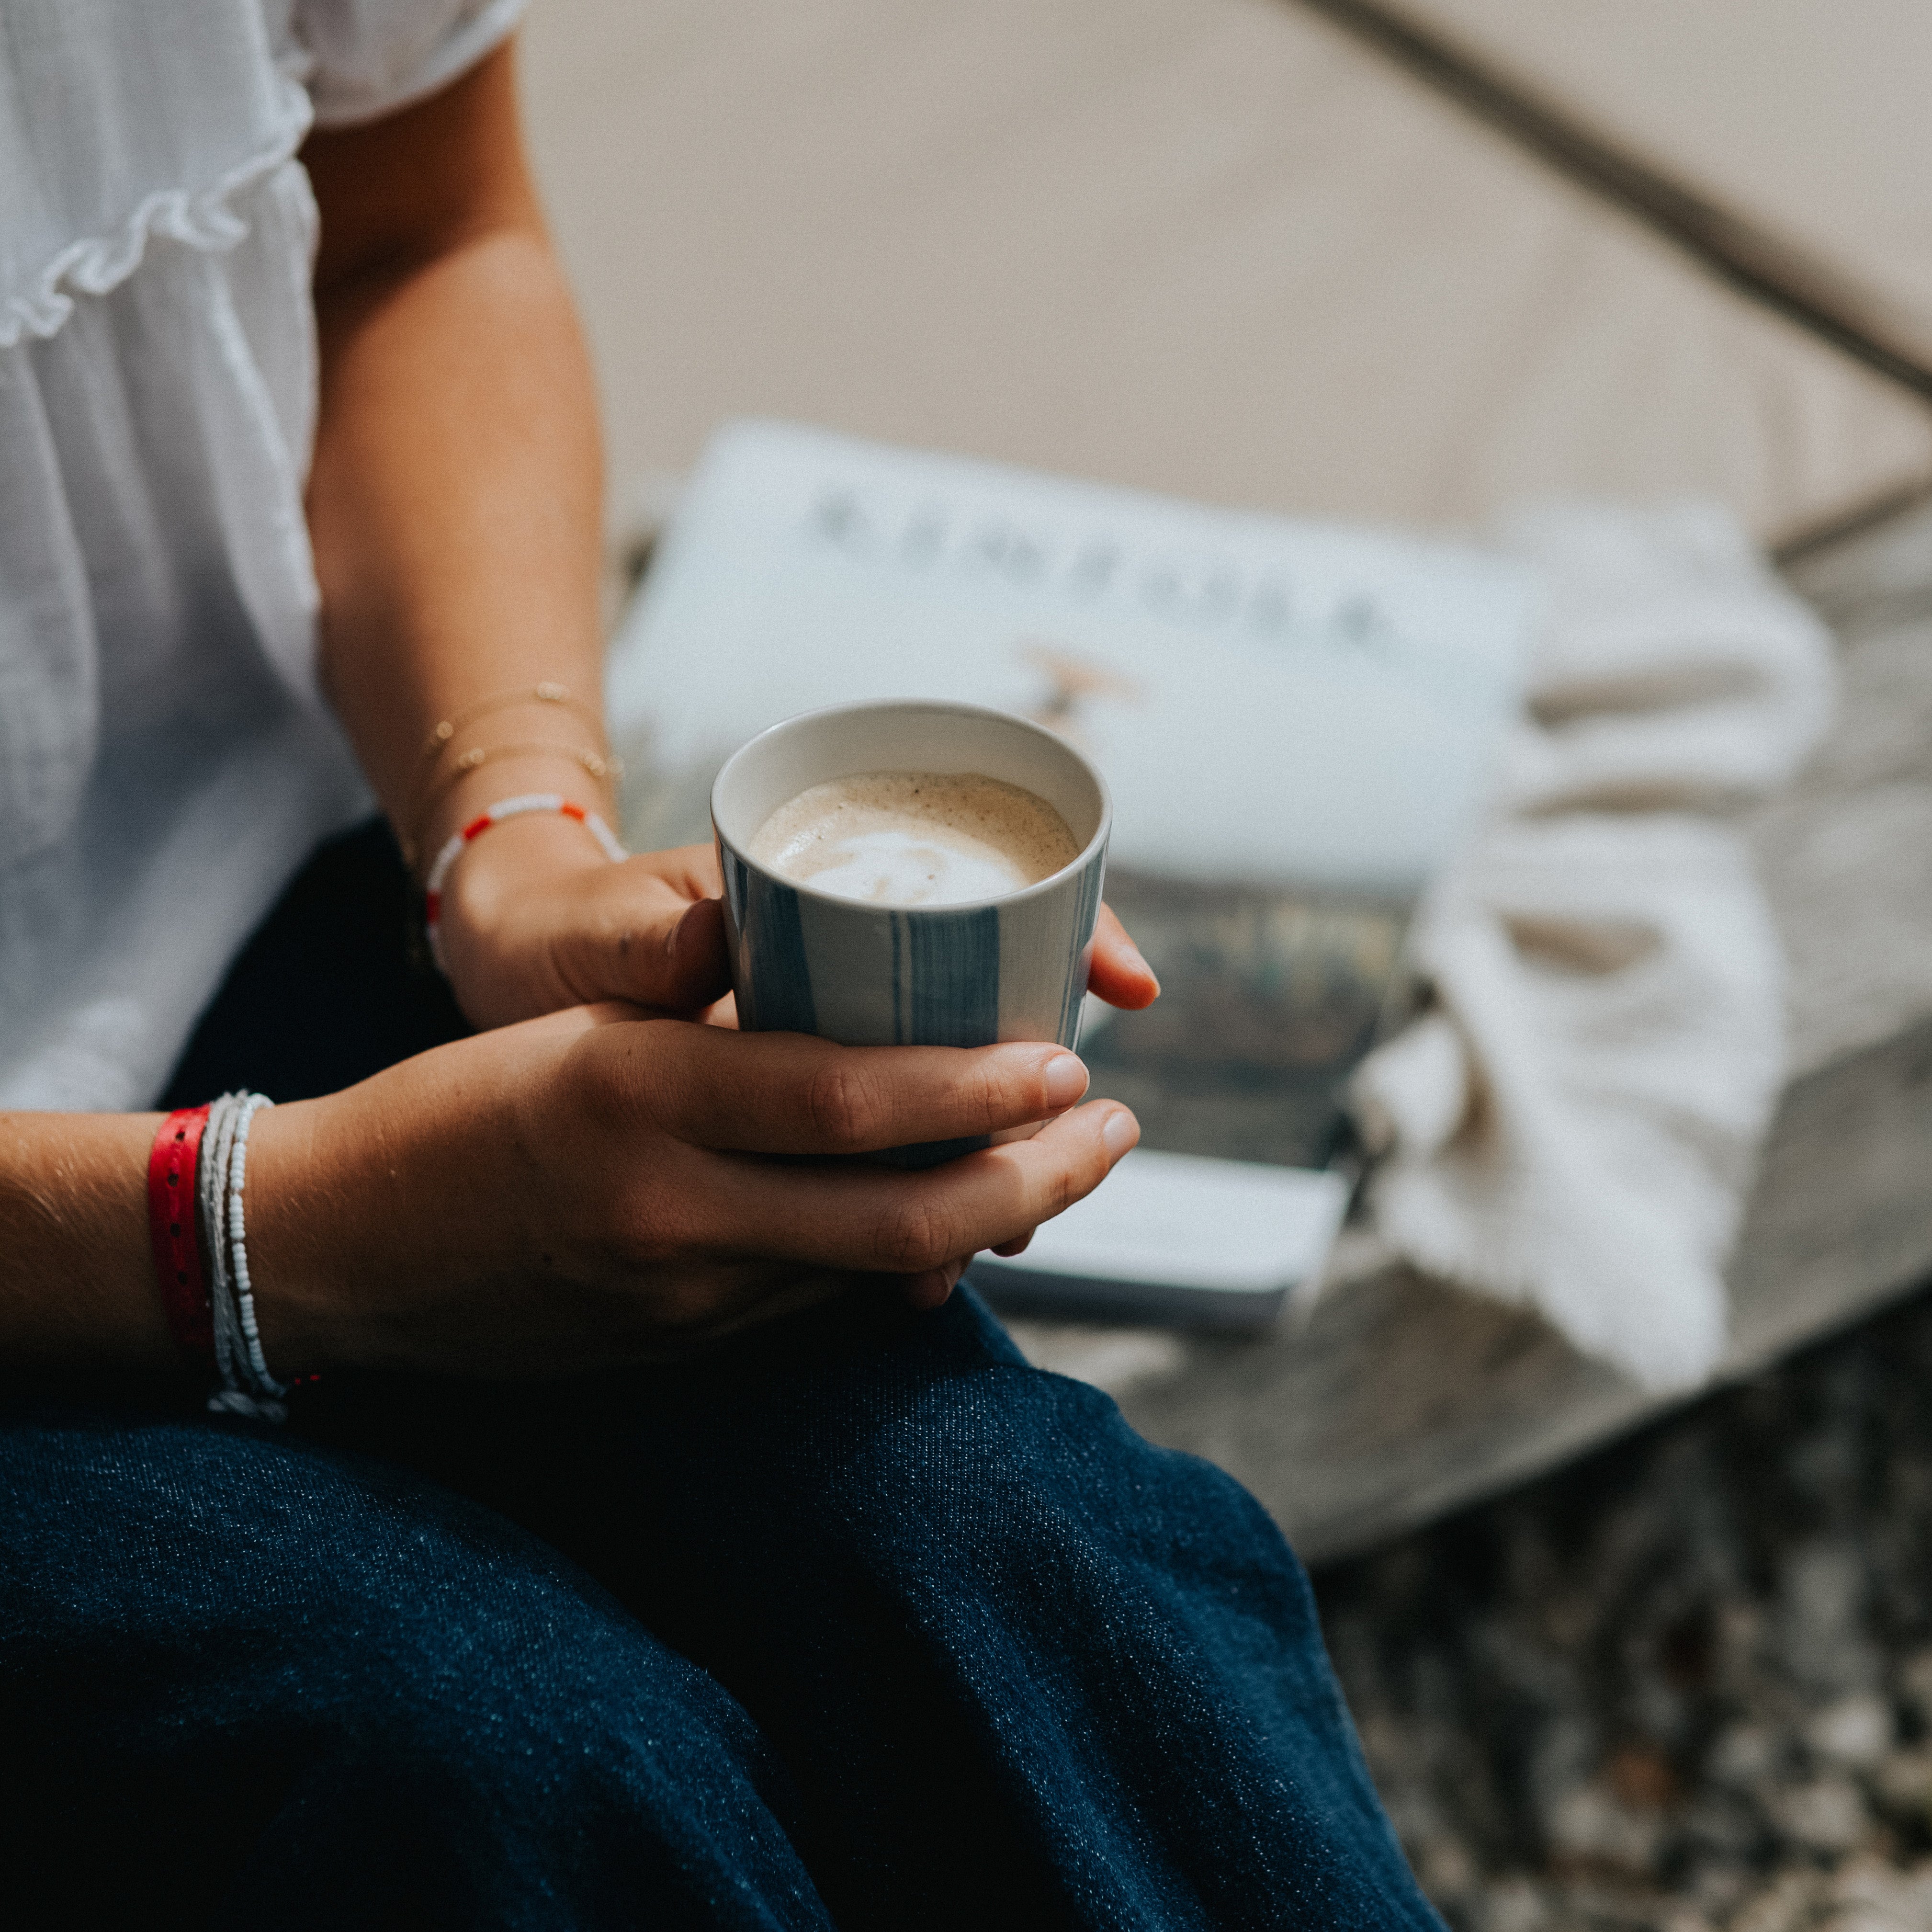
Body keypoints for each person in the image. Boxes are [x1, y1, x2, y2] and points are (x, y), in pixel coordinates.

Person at [0, 4, 1445, 1925]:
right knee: (477, 1755)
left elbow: (417, 237)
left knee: (1025, 1555)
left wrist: (505, 840)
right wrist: (270, 1238)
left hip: (233, 896)